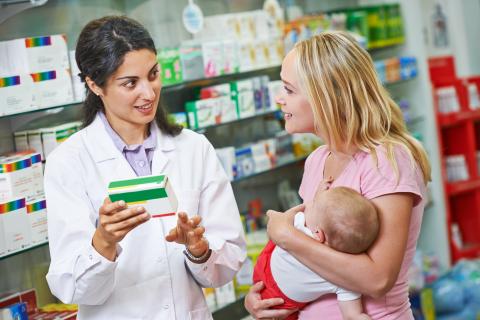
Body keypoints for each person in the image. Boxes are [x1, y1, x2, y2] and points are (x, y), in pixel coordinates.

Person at [44, 16, 246, 320]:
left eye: (153, 75)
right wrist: (103, 242)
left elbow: (227, 263)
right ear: (94, 84)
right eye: (130, 83)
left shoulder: (193, 149)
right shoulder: (69, 162)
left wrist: (199, 249)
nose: (149, 93)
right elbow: (71, 287)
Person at [245, 30, 431, 320]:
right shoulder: (318, 160)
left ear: (325, 97)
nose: (279, 99)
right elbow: (315, 256)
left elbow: (378, 279)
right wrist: (269, 294)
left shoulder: (386, 161)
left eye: (289, 90)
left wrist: (286, 236)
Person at [253, 186, 378, 320]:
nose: (309, 204)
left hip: (266, 270)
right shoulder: (343, 279)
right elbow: (352, 314)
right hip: (285, 304)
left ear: (318, 234)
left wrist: (272, 215)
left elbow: (276, 223)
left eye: (313, 204)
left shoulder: (299, 225)